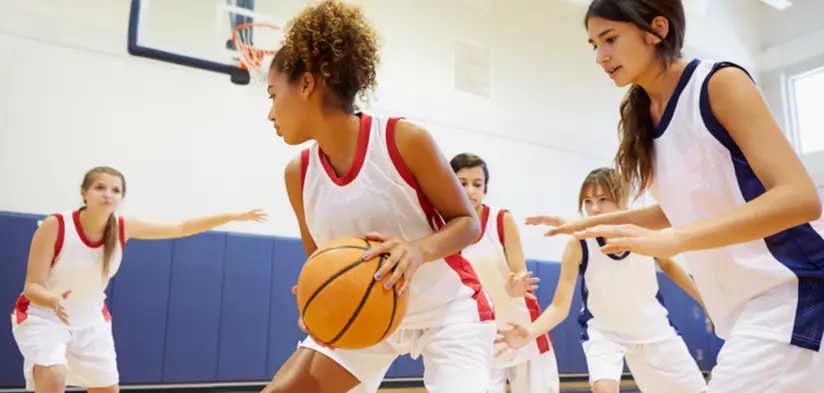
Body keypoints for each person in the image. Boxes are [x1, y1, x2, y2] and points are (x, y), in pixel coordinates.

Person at [526, 0, 824, 391]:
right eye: (594, 45)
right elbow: (675, 210)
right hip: (748, 310)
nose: (601, 56)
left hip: (794, 292)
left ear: (658, 29)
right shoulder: (642, 118)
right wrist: (589, 224)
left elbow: (801, 198)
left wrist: (676, 239)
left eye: (610, 39)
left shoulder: (718, 84)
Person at [259, 1, 536, 392]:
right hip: (369, 312)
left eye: (272, 94)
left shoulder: (402, 140)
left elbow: (469, 223)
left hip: (447, 311)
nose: (270, 113)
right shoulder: (298, 175)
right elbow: (320, 259)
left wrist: (416, 250)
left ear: (306, 84)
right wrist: (315, 295)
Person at [10, 166, 267, 393]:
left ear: (121, 198)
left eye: (115, 190)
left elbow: (181, 227)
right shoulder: (56, 225)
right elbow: (32, 287)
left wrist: (231, 217)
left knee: (107, 389)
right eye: (100, 187)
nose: (108, 194)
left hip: (91, 322)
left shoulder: (123, 227)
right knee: (54, 376)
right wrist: (52, 300)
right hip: (44, 316)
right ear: (83, 192)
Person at [499, 167, 706, 393]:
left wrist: (704, 299)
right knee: (604, 388)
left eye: (602, 199)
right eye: (587, 201)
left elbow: (668, 264)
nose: (594, 208)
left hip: (653, 328)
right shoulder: (578, 244)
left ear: (621, 199)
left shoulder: (642, 230)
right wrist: (530, 332)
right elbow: (559, 306)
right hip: (605, 333)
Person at [451, 152, 560, 393]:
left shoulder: (500, 219)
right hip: (481, 334)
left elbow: (520, 269)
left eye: (477, 185)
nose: (471, 191)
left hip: (520, 324)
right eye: (463, 184)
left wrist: (517, 284)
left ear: (485, 189)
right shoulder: (444, 229)